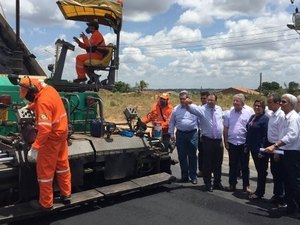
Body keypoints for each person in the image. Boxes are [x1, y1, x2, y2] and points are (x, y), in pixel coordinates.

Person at [19, 77, 71, 210]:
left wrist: (35, 148)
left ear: (32, 91)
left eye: (27, 96)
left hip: (51, 139)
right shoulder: (49, 90)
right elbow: (44, 102)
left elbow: (45, 129)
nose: (27, 98)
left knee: (45, 172)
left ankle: (46, 203)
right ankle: (66, 195)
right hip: (61, 134)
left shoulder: (42, 101)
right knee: (62, 165)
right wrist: (30, 107)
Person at [265, 94, 300, 216]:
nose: (280, 104)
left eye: (283, 102)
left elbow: (292, 135)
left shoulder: (293, 118)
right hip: (285, 152)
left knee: (295, 183)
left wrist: (275, 146)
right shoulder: (285, 117)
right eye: (280, 101)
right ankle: (291, 207)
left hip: (293, 154)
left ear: (291, 104)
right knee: (288, 182)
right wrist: (278, 150)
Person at [186, 93, 224, 192]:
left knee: (218, 163)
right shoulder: (202, 109)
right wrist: (187, 103)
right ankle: (208, 183)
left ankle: (217, 182)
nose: (210, 102)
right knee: (207, 163)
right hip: (208, 140)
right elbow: (190, 108)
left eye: (212, 100)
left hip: (219, 141)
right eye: (208, 100)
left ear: (216, 101)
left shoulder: (219, 109)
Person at [223, 93, 253, 193]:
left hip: (243, 143)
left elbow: (251, 129)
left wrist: (249, 143)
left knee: (245, 166)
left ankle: (246, 186)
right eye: (234, 100)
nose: (235, 102)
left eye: (237, 101)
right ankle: (232, 184)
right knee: (233, 165)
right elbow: (226, 128)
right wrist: (226, 142)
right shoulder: (229, 113)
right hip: (232, 143)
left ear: (242, 102)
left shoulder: (249, 112)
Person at [168, 90, 198, 184]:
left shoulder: (195, 108)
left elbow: (200, 121)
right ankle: (184, 176)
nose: (182, 101)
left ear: (188, 98)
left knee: (192, 156)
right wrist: (172, 134)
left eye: (184, 99)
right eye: (180, 99)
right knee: (182, 156)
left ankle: (193, 176)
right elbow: (172, 122)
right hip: (180, 134)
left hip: (192, 134)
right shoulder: (176, 109)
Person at [246, 100, 269, 199]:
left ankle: (260, 192)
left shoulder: (265, 119)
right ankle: (259, 191)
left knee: (261, 171)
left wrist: (262, 149)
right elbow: (249, 132)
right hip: (253, 148)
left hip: (260, 150)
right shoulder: (253, 117)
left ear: (263, 107)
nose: (256, 107)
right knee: (259, 170)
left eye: (259, 106)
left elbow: (265, 136)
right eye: (255, 105)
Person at [266, 94, 286, 206]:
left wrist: (277, 151)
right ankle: (277, 194)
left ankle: (281, 198)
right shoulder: (272, 114)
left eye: (270, 102)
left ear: (277, 103)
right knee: (275, 172)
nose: (268, 104)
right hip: (271, 146)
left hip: (277, 147)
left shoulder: (281, 116)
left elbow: (281, 134)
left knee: (279, 173)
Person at [197, 91, 209, 177]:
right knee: (201, 152)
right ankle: (201, 170)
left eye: (204, 98)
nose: (202, 100)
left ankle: (209, 171)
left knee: (209, 153)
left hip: (208, 133)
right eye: (201, 98)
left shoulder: (211, 108)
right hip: (200, 132)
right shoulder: (198, 108)